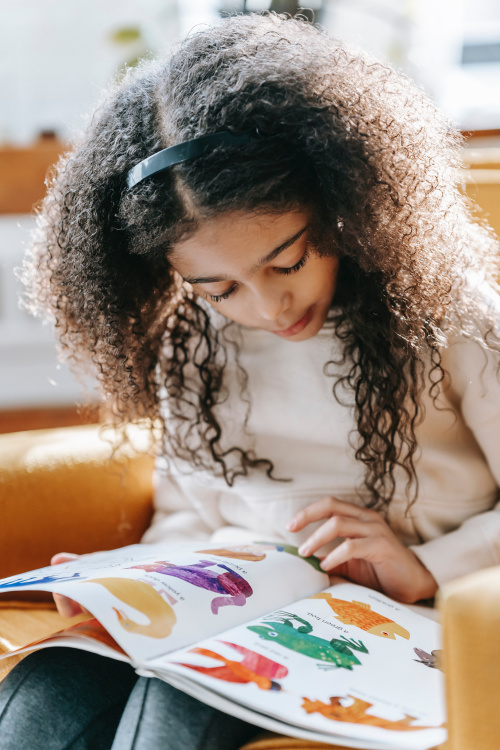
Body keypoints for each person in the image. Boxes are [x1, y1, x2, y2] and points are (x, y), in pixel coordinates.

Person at [1, 11, 500, 750]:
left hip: (410, 616)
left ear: (339, 204)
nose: (268, 308)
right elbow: (187, 512)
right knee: (40, 691)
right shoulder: (190, 336)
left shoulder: (449, 313)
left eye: (287, 262)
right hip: (240, 598)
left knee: (175, 708)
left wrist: (426, 565)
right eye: (219, 287)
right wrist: (132, 581)